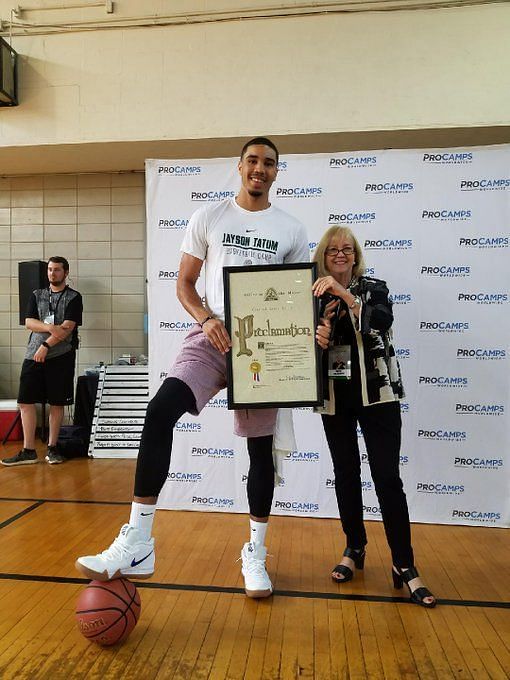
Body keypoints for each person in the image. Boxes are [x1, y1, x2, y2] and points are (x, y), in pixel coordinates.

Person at [76, 137, 310, 598]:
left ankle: (255, 555)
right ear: (239, 167)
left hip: (261, 347)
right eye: (252, 161)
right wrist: (206, 318)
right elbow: (184, 284)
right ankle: (139, 539)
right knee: (160, 411)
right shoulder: (210, 216)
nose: (259, 169)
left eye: (269, 163)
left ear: (277, 172)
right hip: (211, 336)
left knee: (260, 453)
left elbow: (293, 295)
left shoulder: (291, 229)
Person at [312, 226, 436, 608]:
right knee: (346, 474)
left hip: (378, 395)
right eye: (333, 249)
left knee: (386, 478)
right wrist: (313, 338)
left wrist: (343, 294)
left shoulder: (375, 288)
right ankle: (355, 548)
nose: (340, 254)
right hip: (335, 396)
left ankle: (404, 564)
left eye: (347, 249)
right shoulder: (310, 295)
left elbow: (379, 322)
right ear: (323, 255)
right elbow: (295, 345)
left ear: (356, 255)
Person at [1, 256, 83, 467]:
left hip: (61, 356)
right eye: (49, 269)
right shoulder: (37, 295)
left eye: (56, 270)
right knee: (25, 401)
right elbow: (29, 322)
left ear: (66, 272)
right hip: (33, 355)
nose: (52, 273)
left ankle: (52, 447)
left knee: (57, 402)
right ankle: (29, 450)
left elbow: (67, 329)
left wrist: (45, 346)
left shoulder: (74, 297)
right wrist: (49, 327)